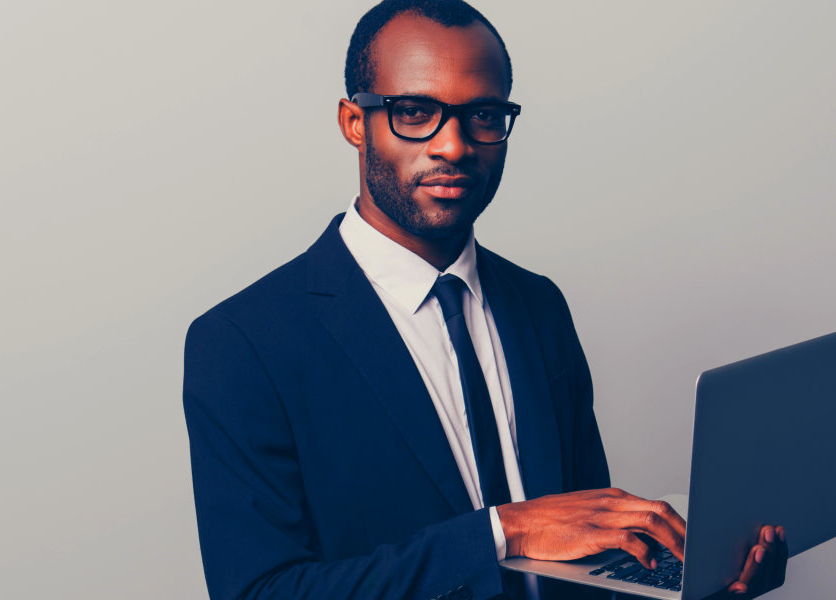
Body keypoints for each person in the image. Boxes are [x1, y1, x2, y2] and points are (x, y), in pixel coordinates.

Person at [182, 2, 785, 598]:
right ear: (353, 122)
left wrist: (702, 583)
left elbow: (584, 554)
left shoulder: (539, 306)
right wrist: (504, 530)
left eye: (484, 116)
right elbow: (261, 591)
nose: (454, 146)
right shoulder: (241, 344)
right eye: (414, 112)